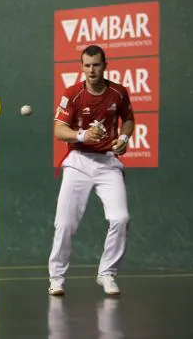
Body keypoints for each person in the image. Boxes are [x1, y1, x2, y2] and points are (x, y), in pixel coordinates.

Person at [49, 45, 135, 296]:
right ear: (82, 67)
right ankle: (56, 278)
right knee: (64, 224)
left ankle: (107, 273)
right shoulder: (72, 94)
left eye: (96, 64)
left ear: (104, 65)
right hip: (78, 162)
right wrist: (82, 135)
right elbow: (58, 130)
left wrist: (125, 138)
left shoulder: (119, 93)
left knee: (120, 219)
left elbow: (128, 119)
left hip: (108, 163)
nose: (91, 70)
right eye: (86, 65)